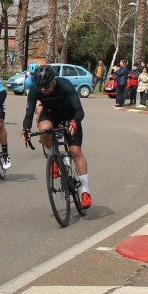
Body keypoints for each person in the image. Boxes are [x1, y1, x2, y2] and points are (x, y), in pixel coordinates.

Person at [21, 65, 92, 208]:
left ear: (54, 81)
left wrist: (74, 121)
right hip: (51, 114)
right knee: (43, 129)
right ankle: (52, 157)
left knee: (75, 151)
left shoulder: (65, 85)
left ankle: (85, 191)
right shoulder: (35, 89)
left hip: (70, 115)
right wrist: (26, 129)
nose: (43, 90)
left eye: (46, 86)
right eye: (40, 86)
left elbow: (79, 111)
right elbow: (28, 115)